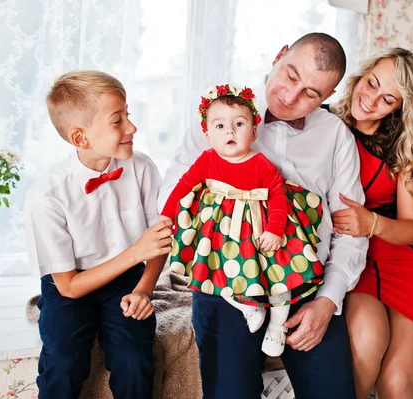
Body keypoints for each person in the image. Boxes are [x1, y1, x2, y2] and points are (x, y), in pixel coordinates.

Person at [159, 33, 367, 399]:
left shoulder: (336, 136)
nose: (290, 97)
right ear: (279, 55)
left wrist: (328, 301)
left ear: (328, 98)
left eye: (311, 93)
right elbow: (174, 193)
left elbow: (351, 232)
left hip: (306, 284)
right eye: (290, 75)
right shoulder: (222, 113)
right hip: (226, 281)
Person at [24, 71, 173, 399]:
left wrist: (145, 290)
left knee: (134, 359)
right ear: (80, 138)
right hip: (70, 285)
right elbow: (69, 286)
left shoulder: (143, 168)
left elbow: (159, 240)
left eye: (128, 115)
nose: (132, 128)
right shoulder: (46, 195)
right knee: (63, 361)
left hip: (127, 280)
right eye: (117, 121)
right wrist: (136, 251)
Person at [160, 83, 325, 357]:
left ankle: (277, 325)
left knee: (280, 277)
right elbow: (183, 187)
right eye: (220, 126)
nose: (231, 132)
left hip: (260, 230)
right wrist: (166, 216)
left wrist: (274, 230)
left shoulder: (260, 163)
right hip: (223, 235)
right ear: (207, 134)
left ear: (254, 130)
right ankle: (248, 306)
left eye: (239, 123)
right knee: (219, 274)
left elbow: (277, 197)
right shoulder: (207, 160)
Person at [327, 47, 413, 398]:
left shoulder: (405, 144)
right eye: (371, 83)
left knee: (398, 384)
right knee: (366, 345)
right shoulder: (324, 122)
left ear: (398, 108)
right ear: (362, 73)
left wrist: (372, 222)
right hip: (353, 259)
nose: (371, 100)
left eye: (387, 98)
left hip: (403, 258)